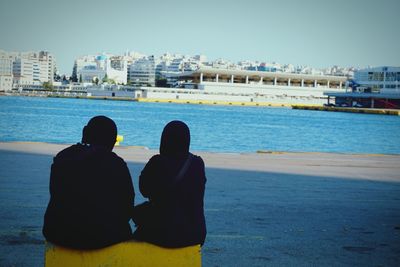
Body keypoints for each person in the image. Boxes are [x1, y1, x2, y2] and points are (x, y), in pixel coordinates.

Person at [43, 116, 135, 249]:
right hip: (104, 237)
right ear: (112, 141)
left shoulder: (64, 157)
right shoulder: (116, 164)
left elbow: (55, 192)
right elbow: (127, 206)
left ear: (85, 133)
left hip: (59, 233)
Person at [133, 120, 207, 248]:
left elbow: (143, 190)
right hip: (195, 233)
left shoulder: (157, 162)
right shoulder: (197, 163)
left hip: (163, 232)